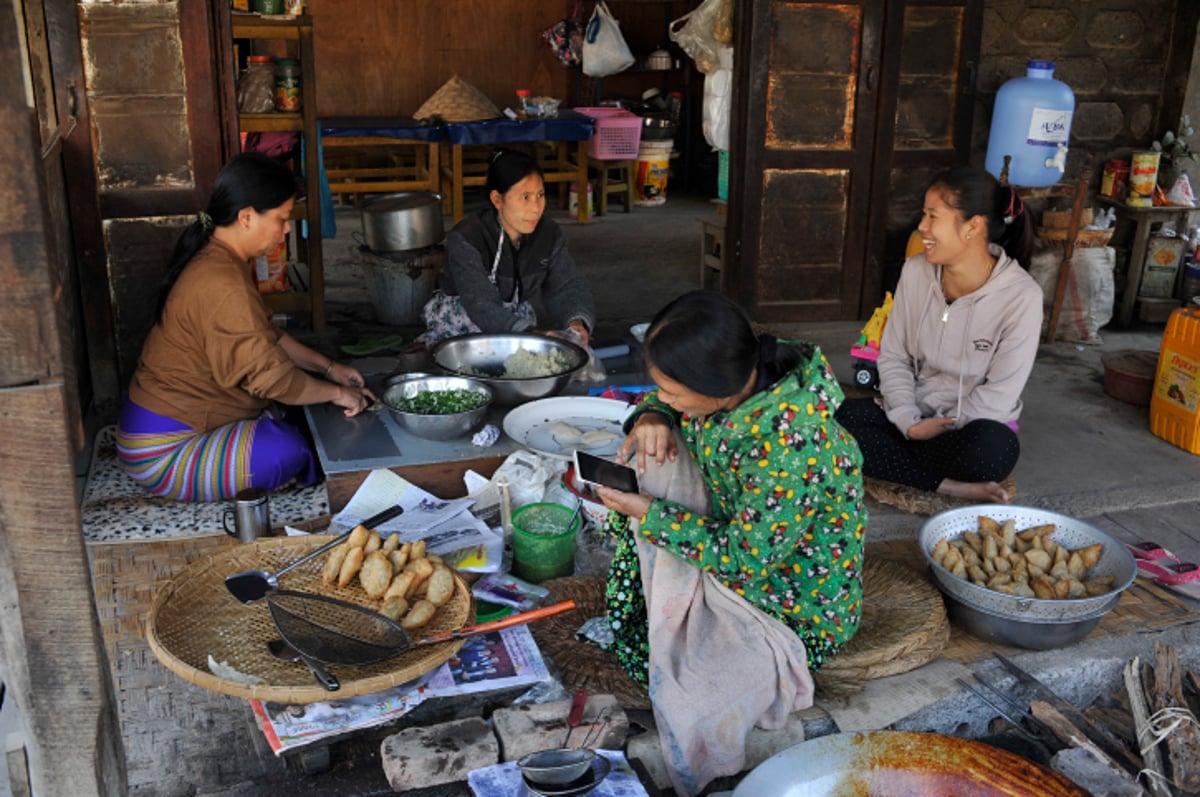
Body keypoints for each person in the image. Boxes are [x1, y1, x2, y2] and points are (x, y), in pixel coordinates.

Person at [595, 290, 866, 688]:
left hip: (792, 600)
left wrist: (651, 514)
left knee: (692, 684)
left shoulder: (787, 452)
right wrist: (653, 414)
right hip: (740, 535)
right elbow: (663, 402)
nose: (664, 397)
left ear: (715, 389)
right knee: (654, 449)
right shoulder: (743, 375)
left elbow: (746, 562)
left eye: (672, 393)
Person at [117, 152, 373, 503]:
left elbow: (267, 335)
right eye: (282, 218)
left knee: (304, 408)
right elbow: (276, 380)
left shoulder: (220, 257)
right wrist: (337, 393)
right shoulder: (222, 281)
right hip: (161, 451)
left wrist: (329, 369)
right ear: (247, 217)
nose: (286, 229)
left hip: (165, 422)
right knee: (290, 450)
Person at [835, 165, 1042, 504]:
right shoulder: (916, 272)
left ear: (972, 227)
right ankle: (946, 484)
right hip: (910, 415)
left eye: (933, 216)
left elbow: (1000, 393)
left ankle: (895, 460)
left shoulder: (1022, 297)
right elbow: (894, 355)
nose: (922, 227)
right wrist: (908, 419)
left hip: (969, 429)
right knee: (823, 417)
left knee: (991, 452)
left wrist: (942, 426)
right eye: (923, 215)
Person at [421, 149, 594, 345]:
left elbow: (566, 285)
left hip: (517, 319)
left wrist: (576, 322)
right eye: (525, 197)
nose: (536, 207)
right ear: (497, 199)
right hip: (464, 320)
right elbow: (480, 304)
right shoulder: (467, 238)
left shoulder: (549, 235)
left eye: (540, 194)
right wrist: (529, 333)